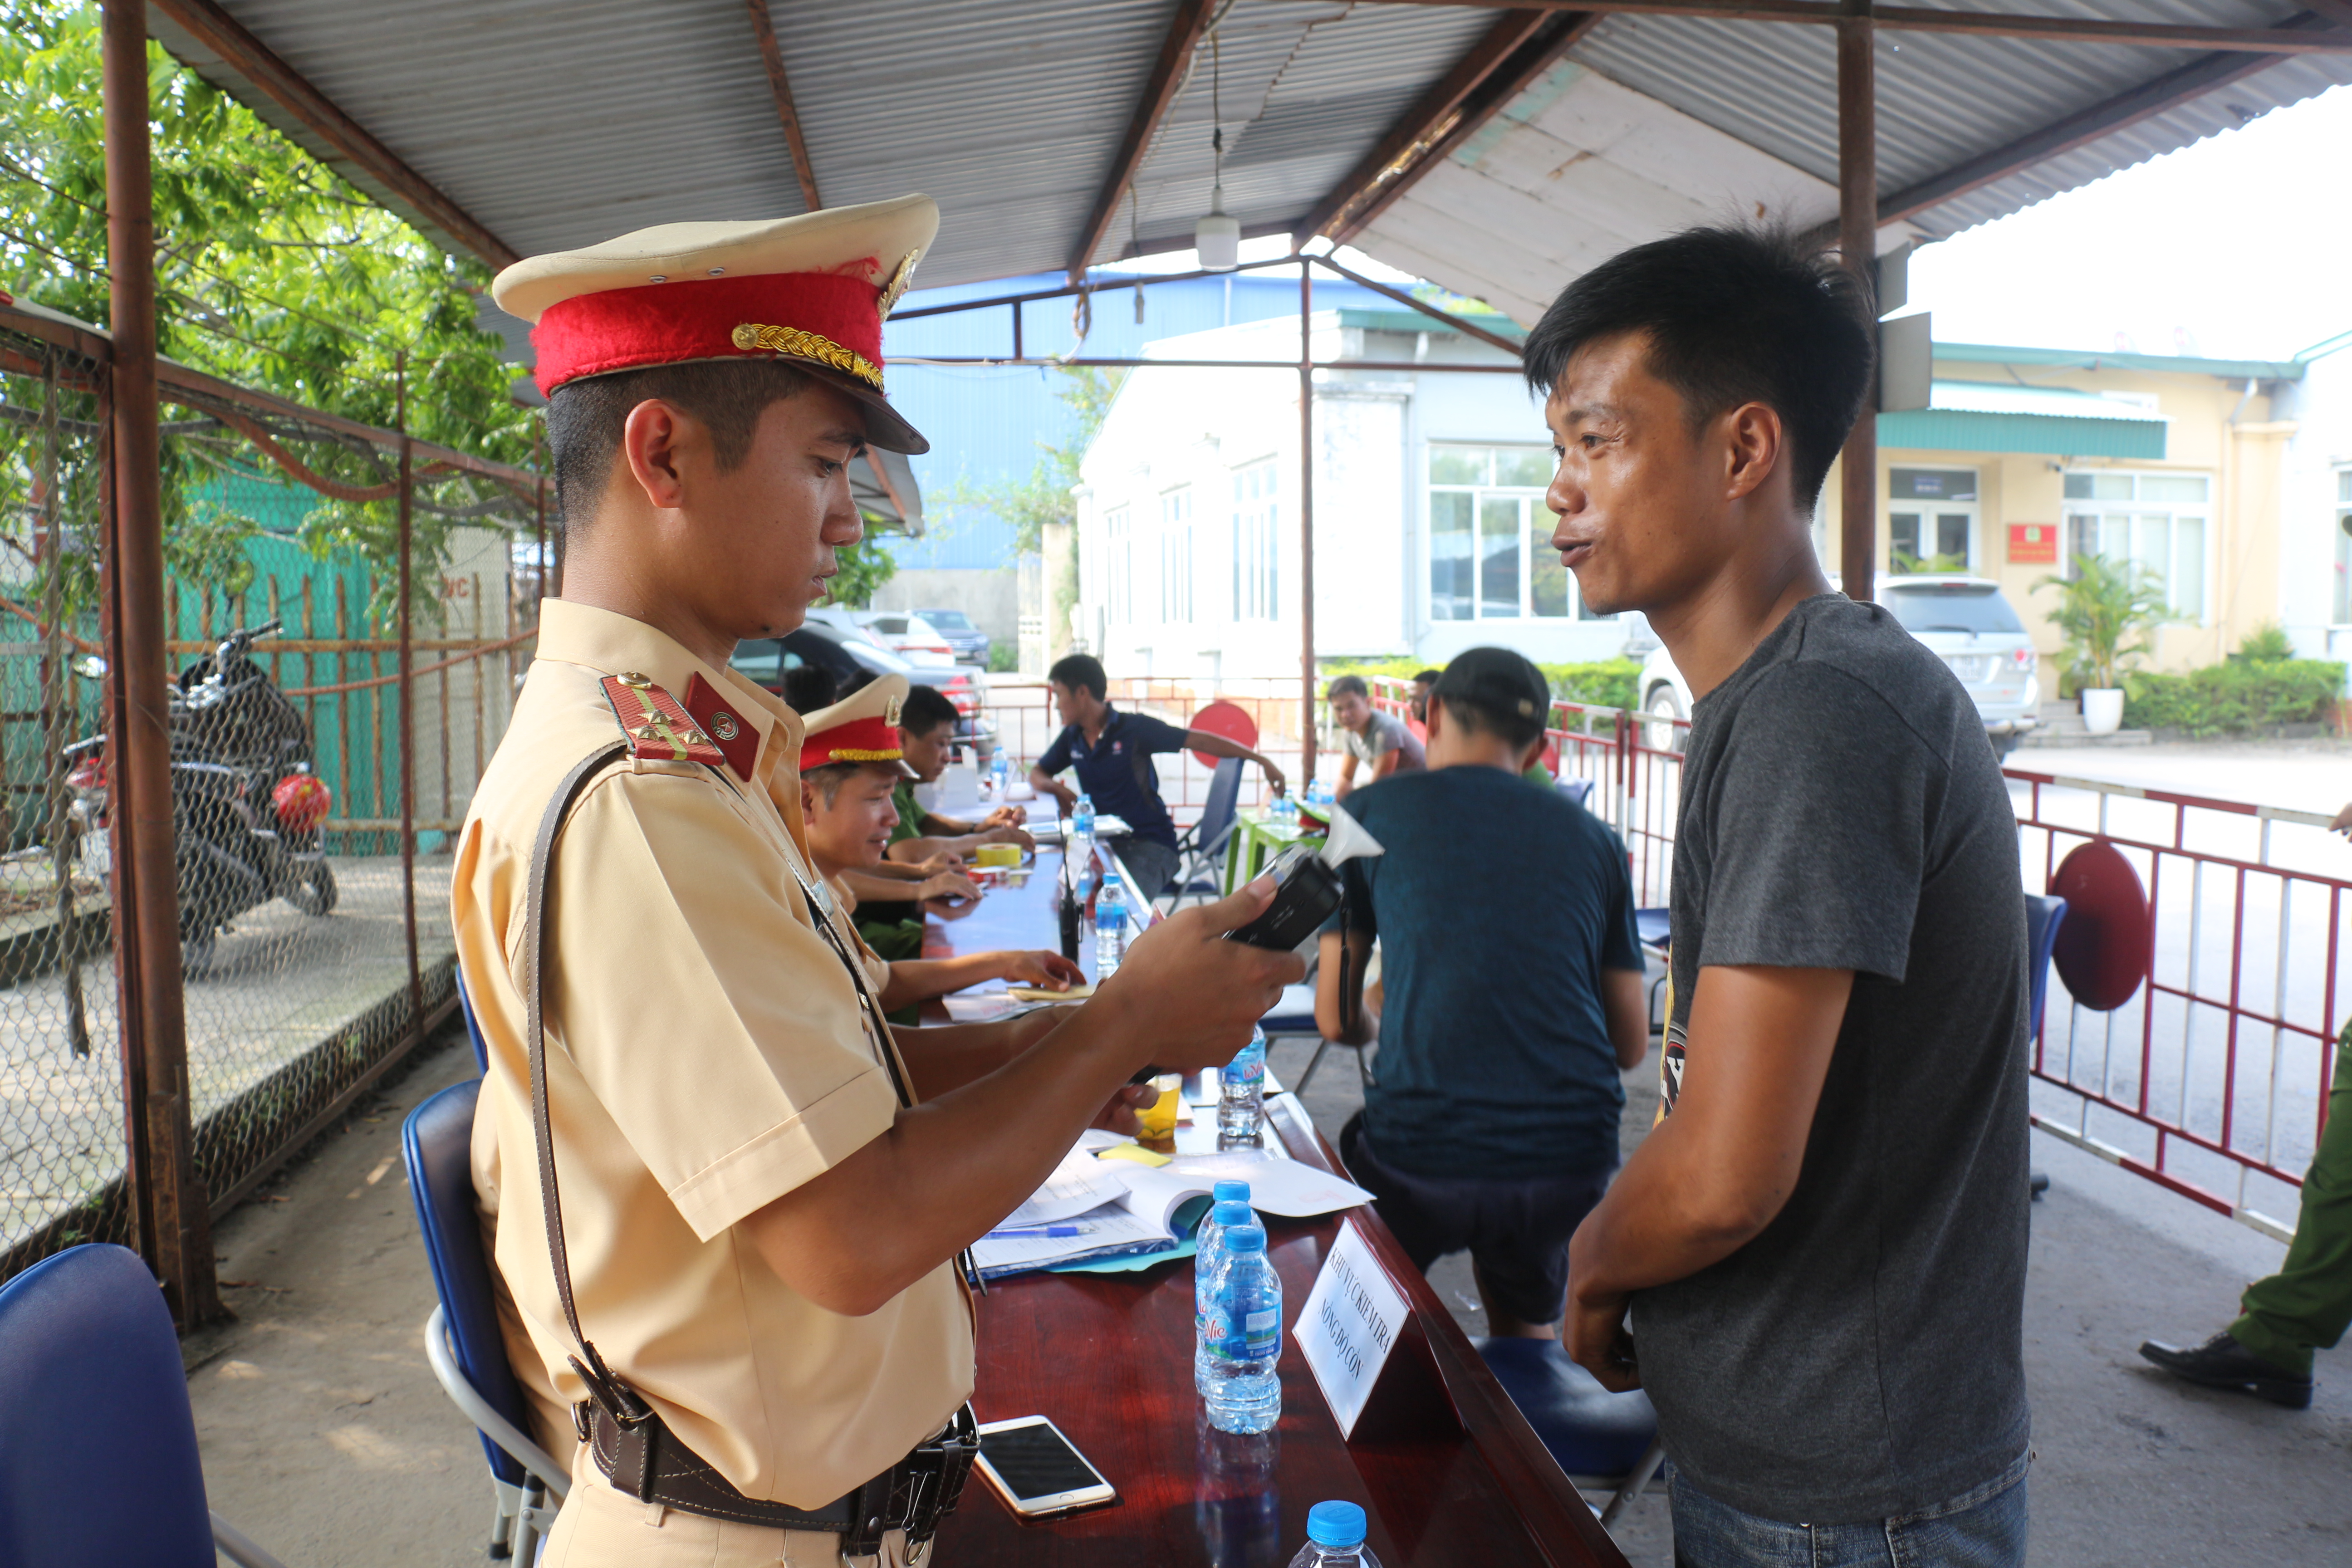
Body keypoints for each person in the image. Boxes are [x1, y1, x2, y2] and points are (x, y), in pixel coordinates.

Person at [461, 196, 1302, 1567]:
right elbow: (849, 1232)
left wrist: (1048, 1048)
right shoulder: (640, 800)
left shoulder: (680, 758)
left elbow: (827, 1086)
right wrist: (1122, 1023)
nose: (848, 519)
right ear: (662, 454)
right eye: (824, 464)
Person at [1538, 226, 2033, 1564]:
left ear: (1744, 448)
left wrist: (1593, 1262)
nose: (1558, 491)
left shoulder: (1819, 711)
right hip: (1802, 1462)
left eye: (1596, 442)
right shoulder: (1773, 698)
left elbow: (1724, 1176)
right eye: (1559, 449)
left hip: (1844, 1502)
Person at [1314, 647, 1647, 1338]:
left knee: (1354, 1334)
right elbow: (1629, 1045)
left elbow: (1336, 1021)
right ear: (1539, 748)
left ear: (1431, 714)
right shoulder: (1599, 841)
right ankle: (1524, 1373)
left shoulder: (1362, 814)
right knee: (1525, 1330)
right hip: (1569, 1158)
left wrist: (1380, 1016)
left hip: (1420, 1153)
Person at [799, 674, 1083, 1016]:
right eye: (876, 798)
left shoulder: (820, 886)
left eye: (890, 796)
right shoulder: (790, 905)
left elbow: (884, 983)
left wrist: (1008, 963)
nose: (892, 818)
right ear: (807, 802)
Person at [1028, 652, 1287, 902]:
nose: (1056, 705)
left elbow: (1198, 741)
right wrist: (1058, 789)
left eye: (1058, 695)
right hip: (1105, 844)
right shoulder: (1073, 737)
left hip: (1151, 846)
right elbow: (1038, 773)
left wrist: (1262, 761)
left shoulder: (1134, 729)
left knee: (1122, 905)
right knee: (1058, 891)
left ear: (1082, 693)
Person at [884, 683, 1032, 864]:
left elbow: (924, 823)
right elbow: (910, 855)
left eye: (949, 745)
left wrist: (979, 829)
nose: (947, 757)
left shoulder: (902, 782)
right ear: (902, 738)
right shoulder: (885, 783)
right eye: (941, 744)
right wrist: (989, 840)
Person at [1327, 674, 1425, 801]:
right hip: (1401, 793)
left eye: (1352, 706)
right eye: (1339, 709)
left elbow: (1378, 787)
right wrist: (1335, 805)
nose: (1345, 715)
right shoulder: (1351, 731)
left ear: (1367, 703)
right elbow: (1346, 778)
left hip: (1423, 794)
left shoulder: (1386, 730)